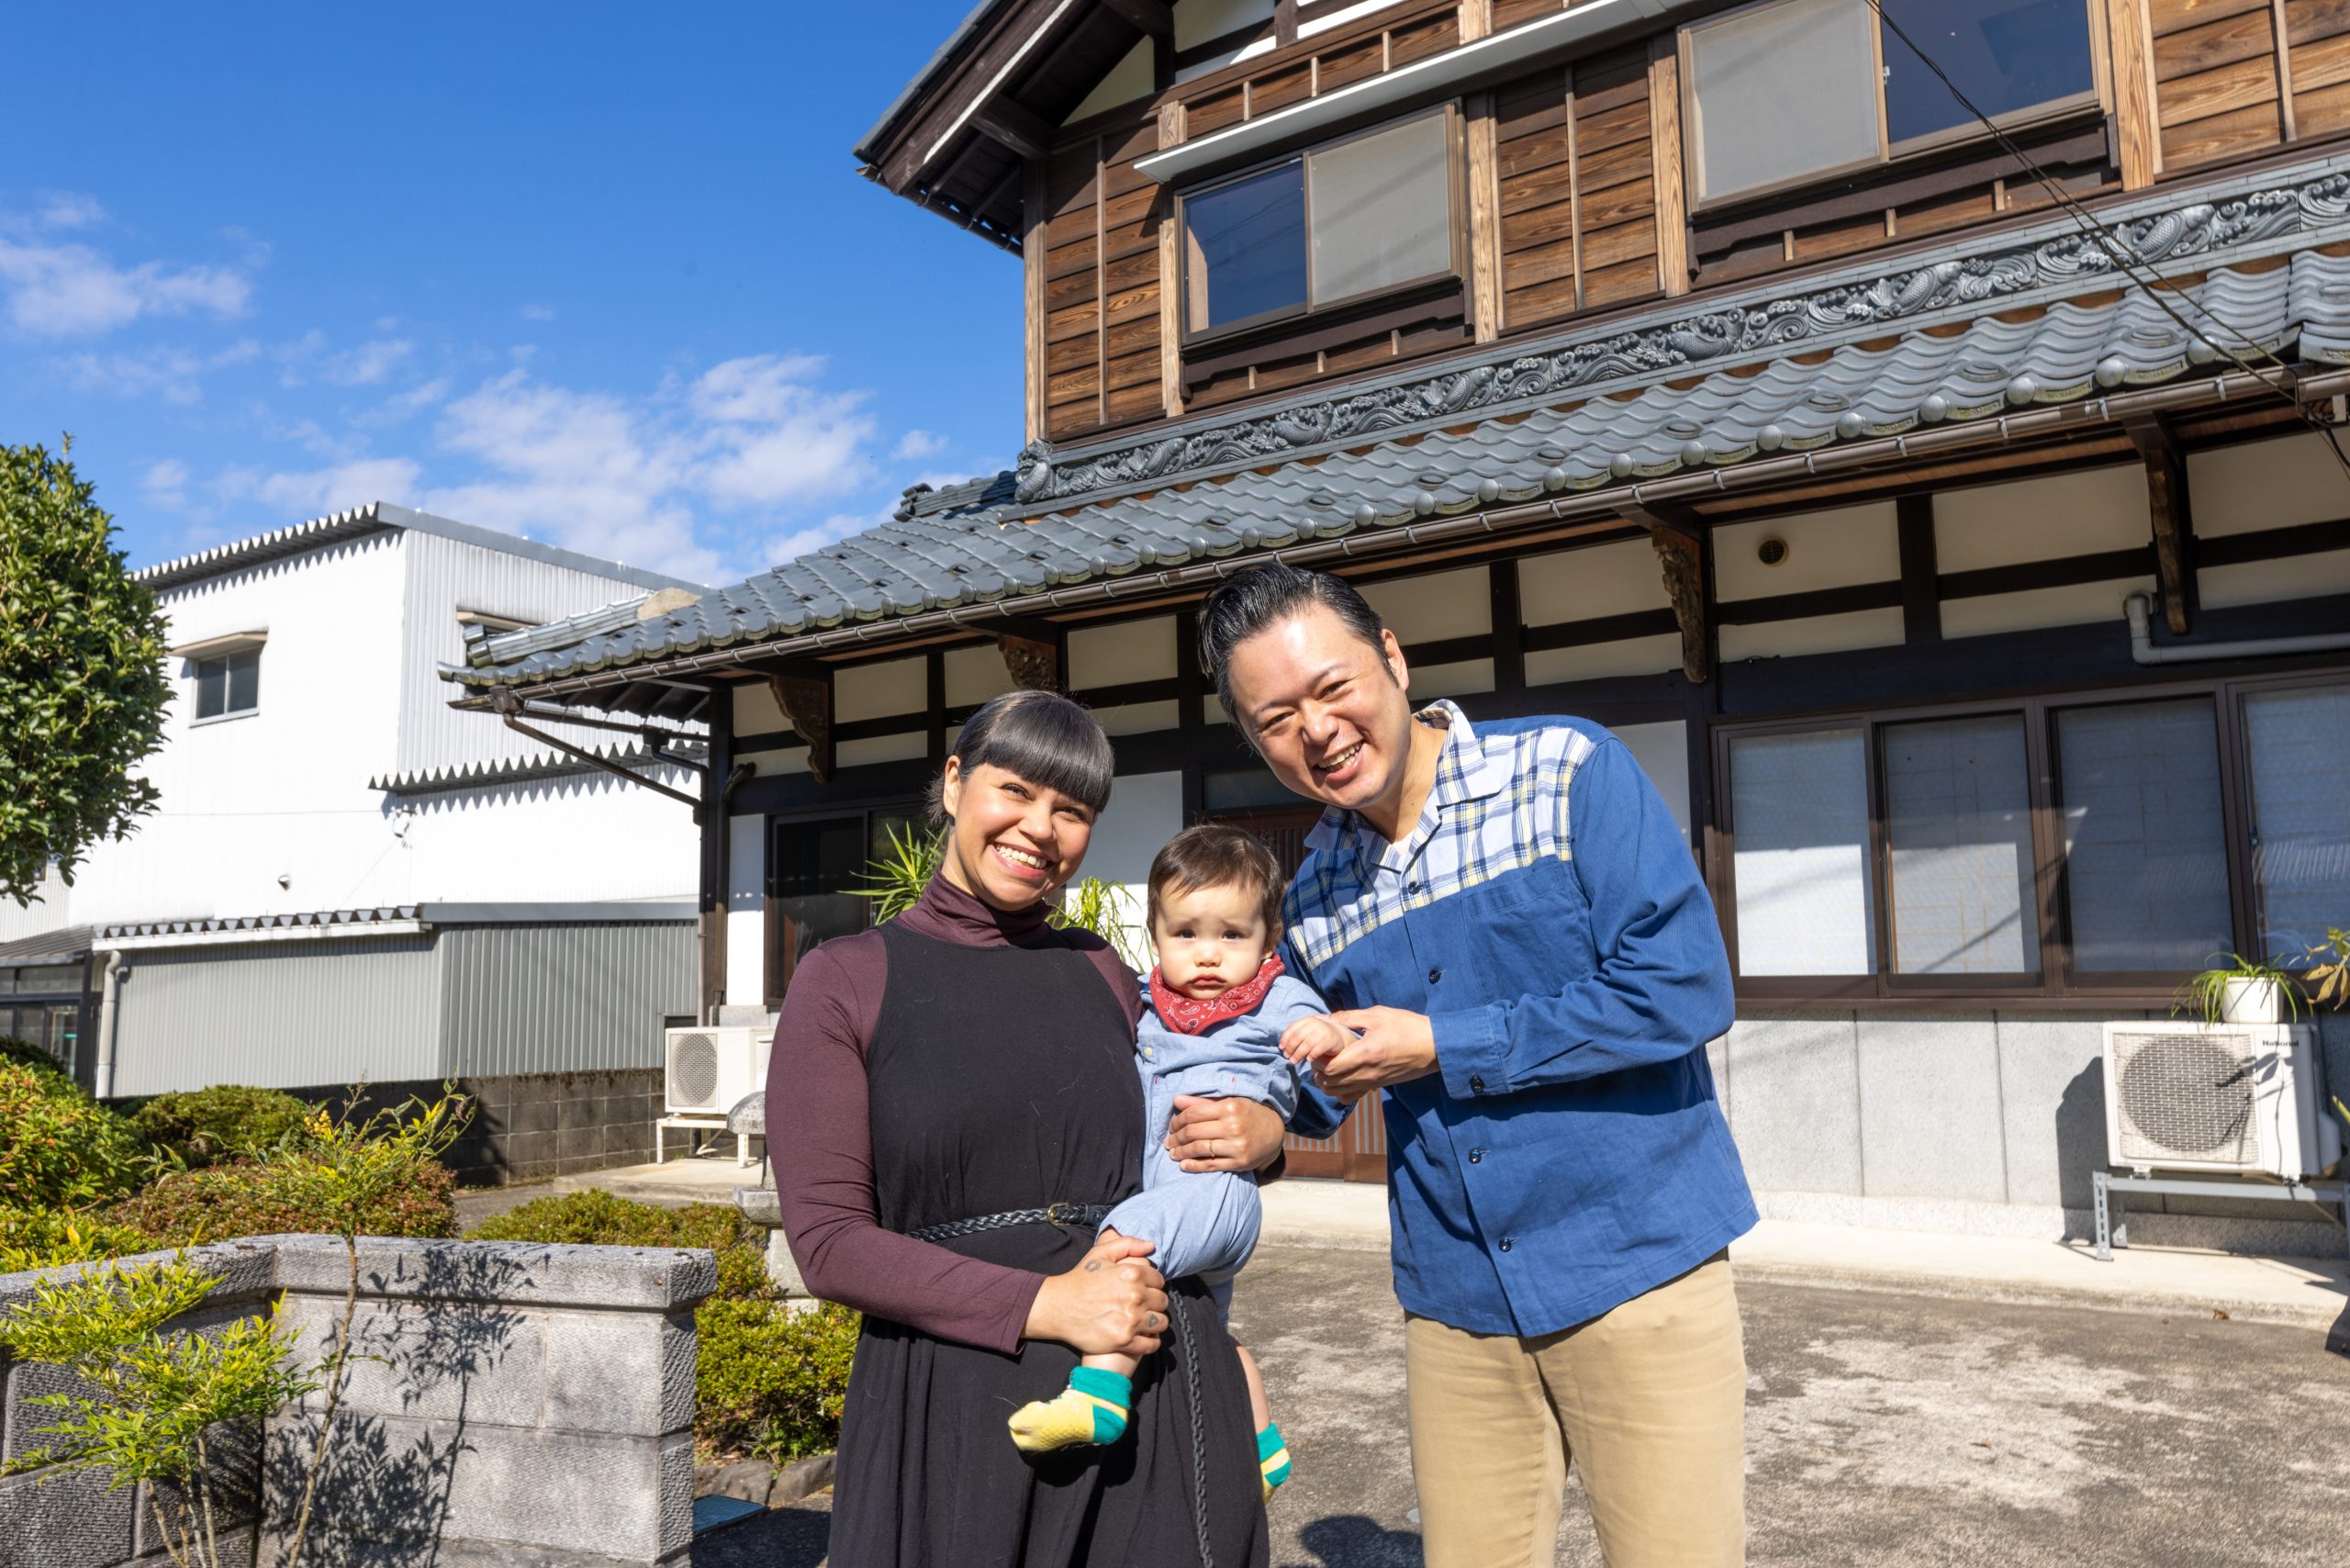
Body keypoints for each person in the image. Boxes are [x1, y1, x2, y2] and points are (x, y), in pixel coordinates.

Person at [1202, 562, 1757, 1568]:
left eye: (1333, 688)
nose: (1316, 730)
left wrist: (1443, 1040)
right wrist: (1265, 1121)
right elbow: (1330, 1074)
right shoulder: (1317, 884)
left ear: (1393, 658)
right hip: (1455, 1300)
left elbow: (1683, 989)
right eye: (1276, 717)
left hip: (1637, 1265)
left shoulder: (1564, 769)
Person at [769, 689, 1279, 1568]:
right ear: (957, 782)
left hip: (1151, 1388)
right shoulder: (847, 979)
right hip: (953, 1402)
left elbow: (1217, 1091)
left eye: (1072, 810)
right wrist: (1050, 1304)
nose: (1041, 829)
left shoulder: (1107, 974)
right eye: (1017, 791)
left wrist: (1261, 1135)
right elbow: (829, 1244)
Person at [1008, 823, 1346, 1506]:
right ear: (1157, 934)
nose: (1209, 955)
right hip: (1177, 1193)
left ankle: (1099, 1396)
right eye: (1187, 933)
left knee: (1122, 1244)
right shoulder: (1147, 1000)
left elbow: (1340, 1048)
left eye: (1232, 934)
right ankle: (1263, 1449)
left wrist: (1327, 1034)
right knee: (1210, 1335)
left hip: (1215, 1191)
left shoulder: (1277, 997)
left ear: (1268, 937)